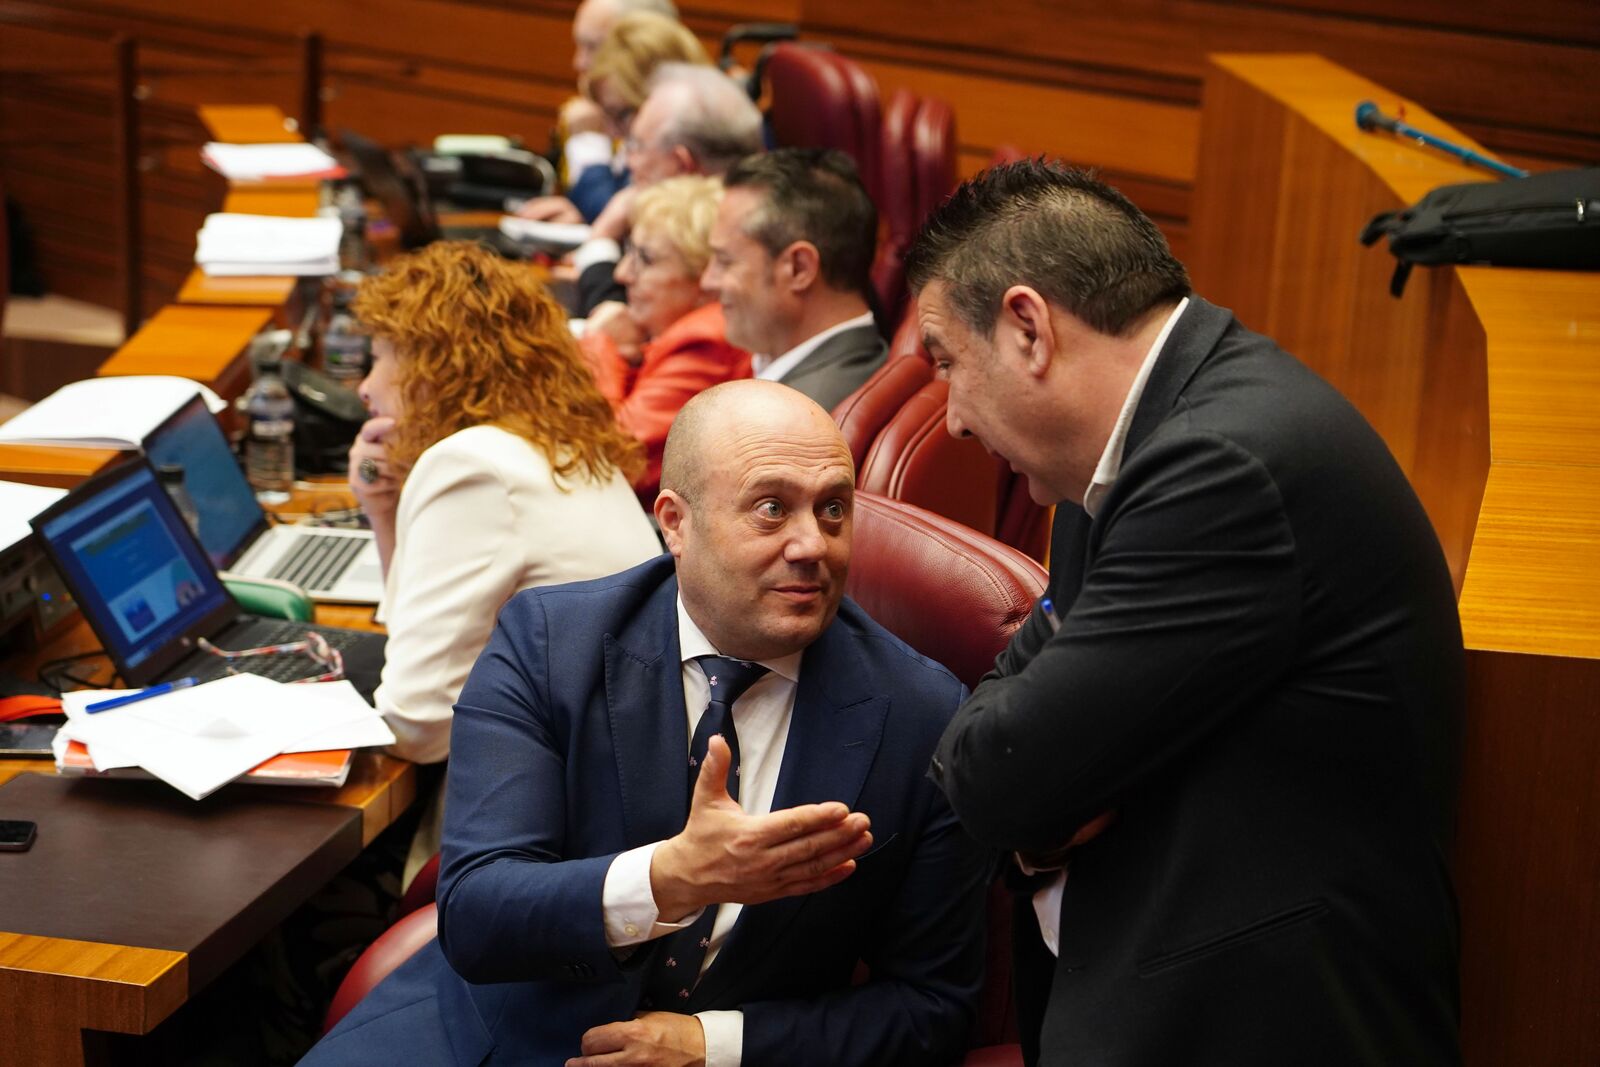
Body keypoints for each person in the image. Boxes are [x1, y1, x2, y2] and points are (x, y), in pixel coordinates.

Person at [908, 159, 1464, 1065]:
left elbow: (1002, 777)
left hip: (1255, 1021)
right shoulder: (1140, 446)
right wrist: (1045, 786)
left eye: (947, 365)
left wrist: (1040, 791)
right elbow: (1018, 728)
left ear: (1026, 327)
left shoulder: (1223, 467)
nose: (956, 420)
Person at [302, 380, 992, 1067]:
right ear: (675, 521)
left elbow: (933, 1007)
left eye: (833, 508)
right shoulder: (548, 643)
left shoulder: (920, 713)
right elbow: (478, 912)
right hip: (496, 1037)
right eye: (772, 508)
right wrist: (669, 878)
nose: (813, 544)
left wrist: (714, 1045)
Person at [346, 240, 662, 774]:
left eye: (379, 359)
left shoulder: (472, 467)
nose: (364, 388)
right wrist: (383, 512)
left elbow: (415, 726)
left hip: (544, 817)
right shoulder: (555, 443)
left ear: (433, 367)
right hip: (604, 773)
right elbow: (417, 641)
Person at [582, 175, 751, 504]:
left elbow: (613, 457)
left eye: (645, 259)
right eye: (628, 252)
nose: (622, 274)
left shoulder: (705, 339)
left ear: (703, 277)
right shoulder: (681, 330)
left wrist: (600, 345)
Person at [702, 148, 886, 413]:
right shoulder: (862, 364)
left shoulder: (788, 425)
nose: (708, 281)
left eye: (725, 261)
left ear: (799, 268)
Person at [575, 62, 765, 317]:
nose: (629, 161)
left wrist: (601, 240)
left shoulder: (714, 246)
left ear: (681, 164)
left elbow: (625, 331)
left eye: (637, 146)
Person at [522, 11, 710, 225]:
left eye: (593, 47)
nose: (579, 62)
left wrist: (589, 141)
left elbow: (629, 218)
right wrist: (583, 217)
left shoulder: (680, 146)